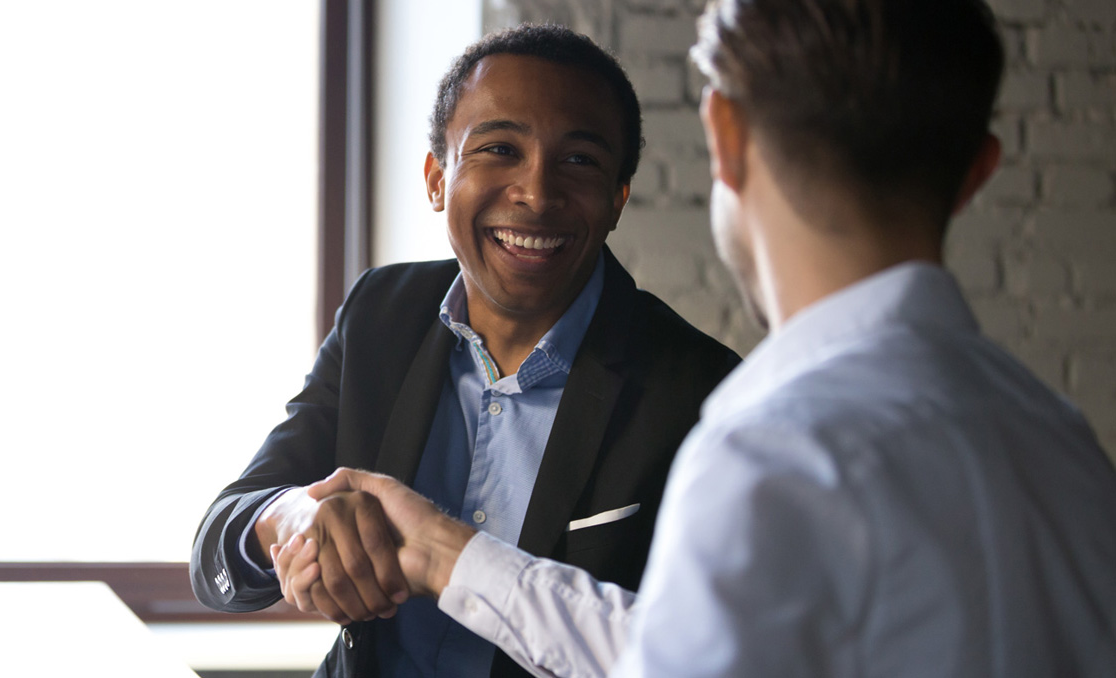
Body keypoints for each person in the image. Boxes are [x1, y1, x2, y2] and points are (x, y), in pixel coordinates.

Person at [281, 0, 1116, 676]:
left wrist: (445, 555)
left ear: (723, 137)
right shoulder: (1066, 446)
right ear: (980, 168)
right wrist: (443, 551)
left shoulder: (769, 444)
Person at [189, 23, 740, 678]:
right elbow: (219, 542)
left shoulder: (703, 392)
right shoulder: (382, 314)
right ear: (435, 179)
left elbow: (704, 654)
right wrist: (293, 518)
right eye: (500, 149)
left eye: (579, 161)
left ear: (619, 199)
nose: (537, 194)